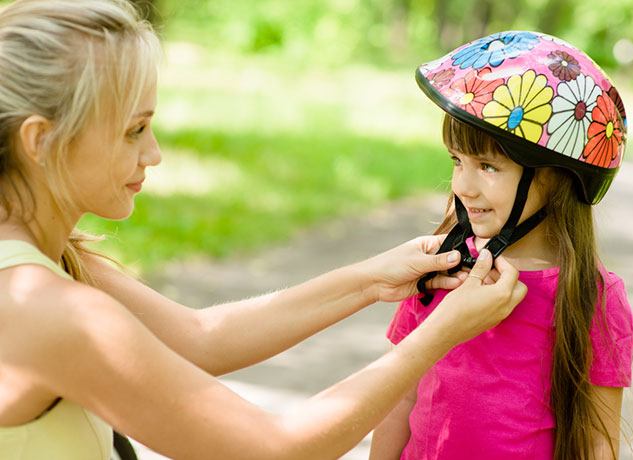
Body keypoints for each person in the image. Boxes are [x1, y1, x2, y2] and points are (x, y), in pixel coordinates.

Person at [0, 1, 529, 459]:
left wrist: (371, 280)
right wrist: (439, 333)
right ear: (40, 141)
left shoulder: (50, 263)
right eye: (133, 130)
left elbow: (199, 340)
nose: (154, 153)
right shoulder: (47, 308)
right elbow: (277, 446)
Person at [369, 31, 633, 460]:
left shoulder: (591, 295)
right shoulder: (439, 266)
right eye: (457, 161)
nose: (462, 186)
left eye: (488, 167)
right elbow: (398, 395)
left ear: (556, 177)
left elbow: (597, 440)